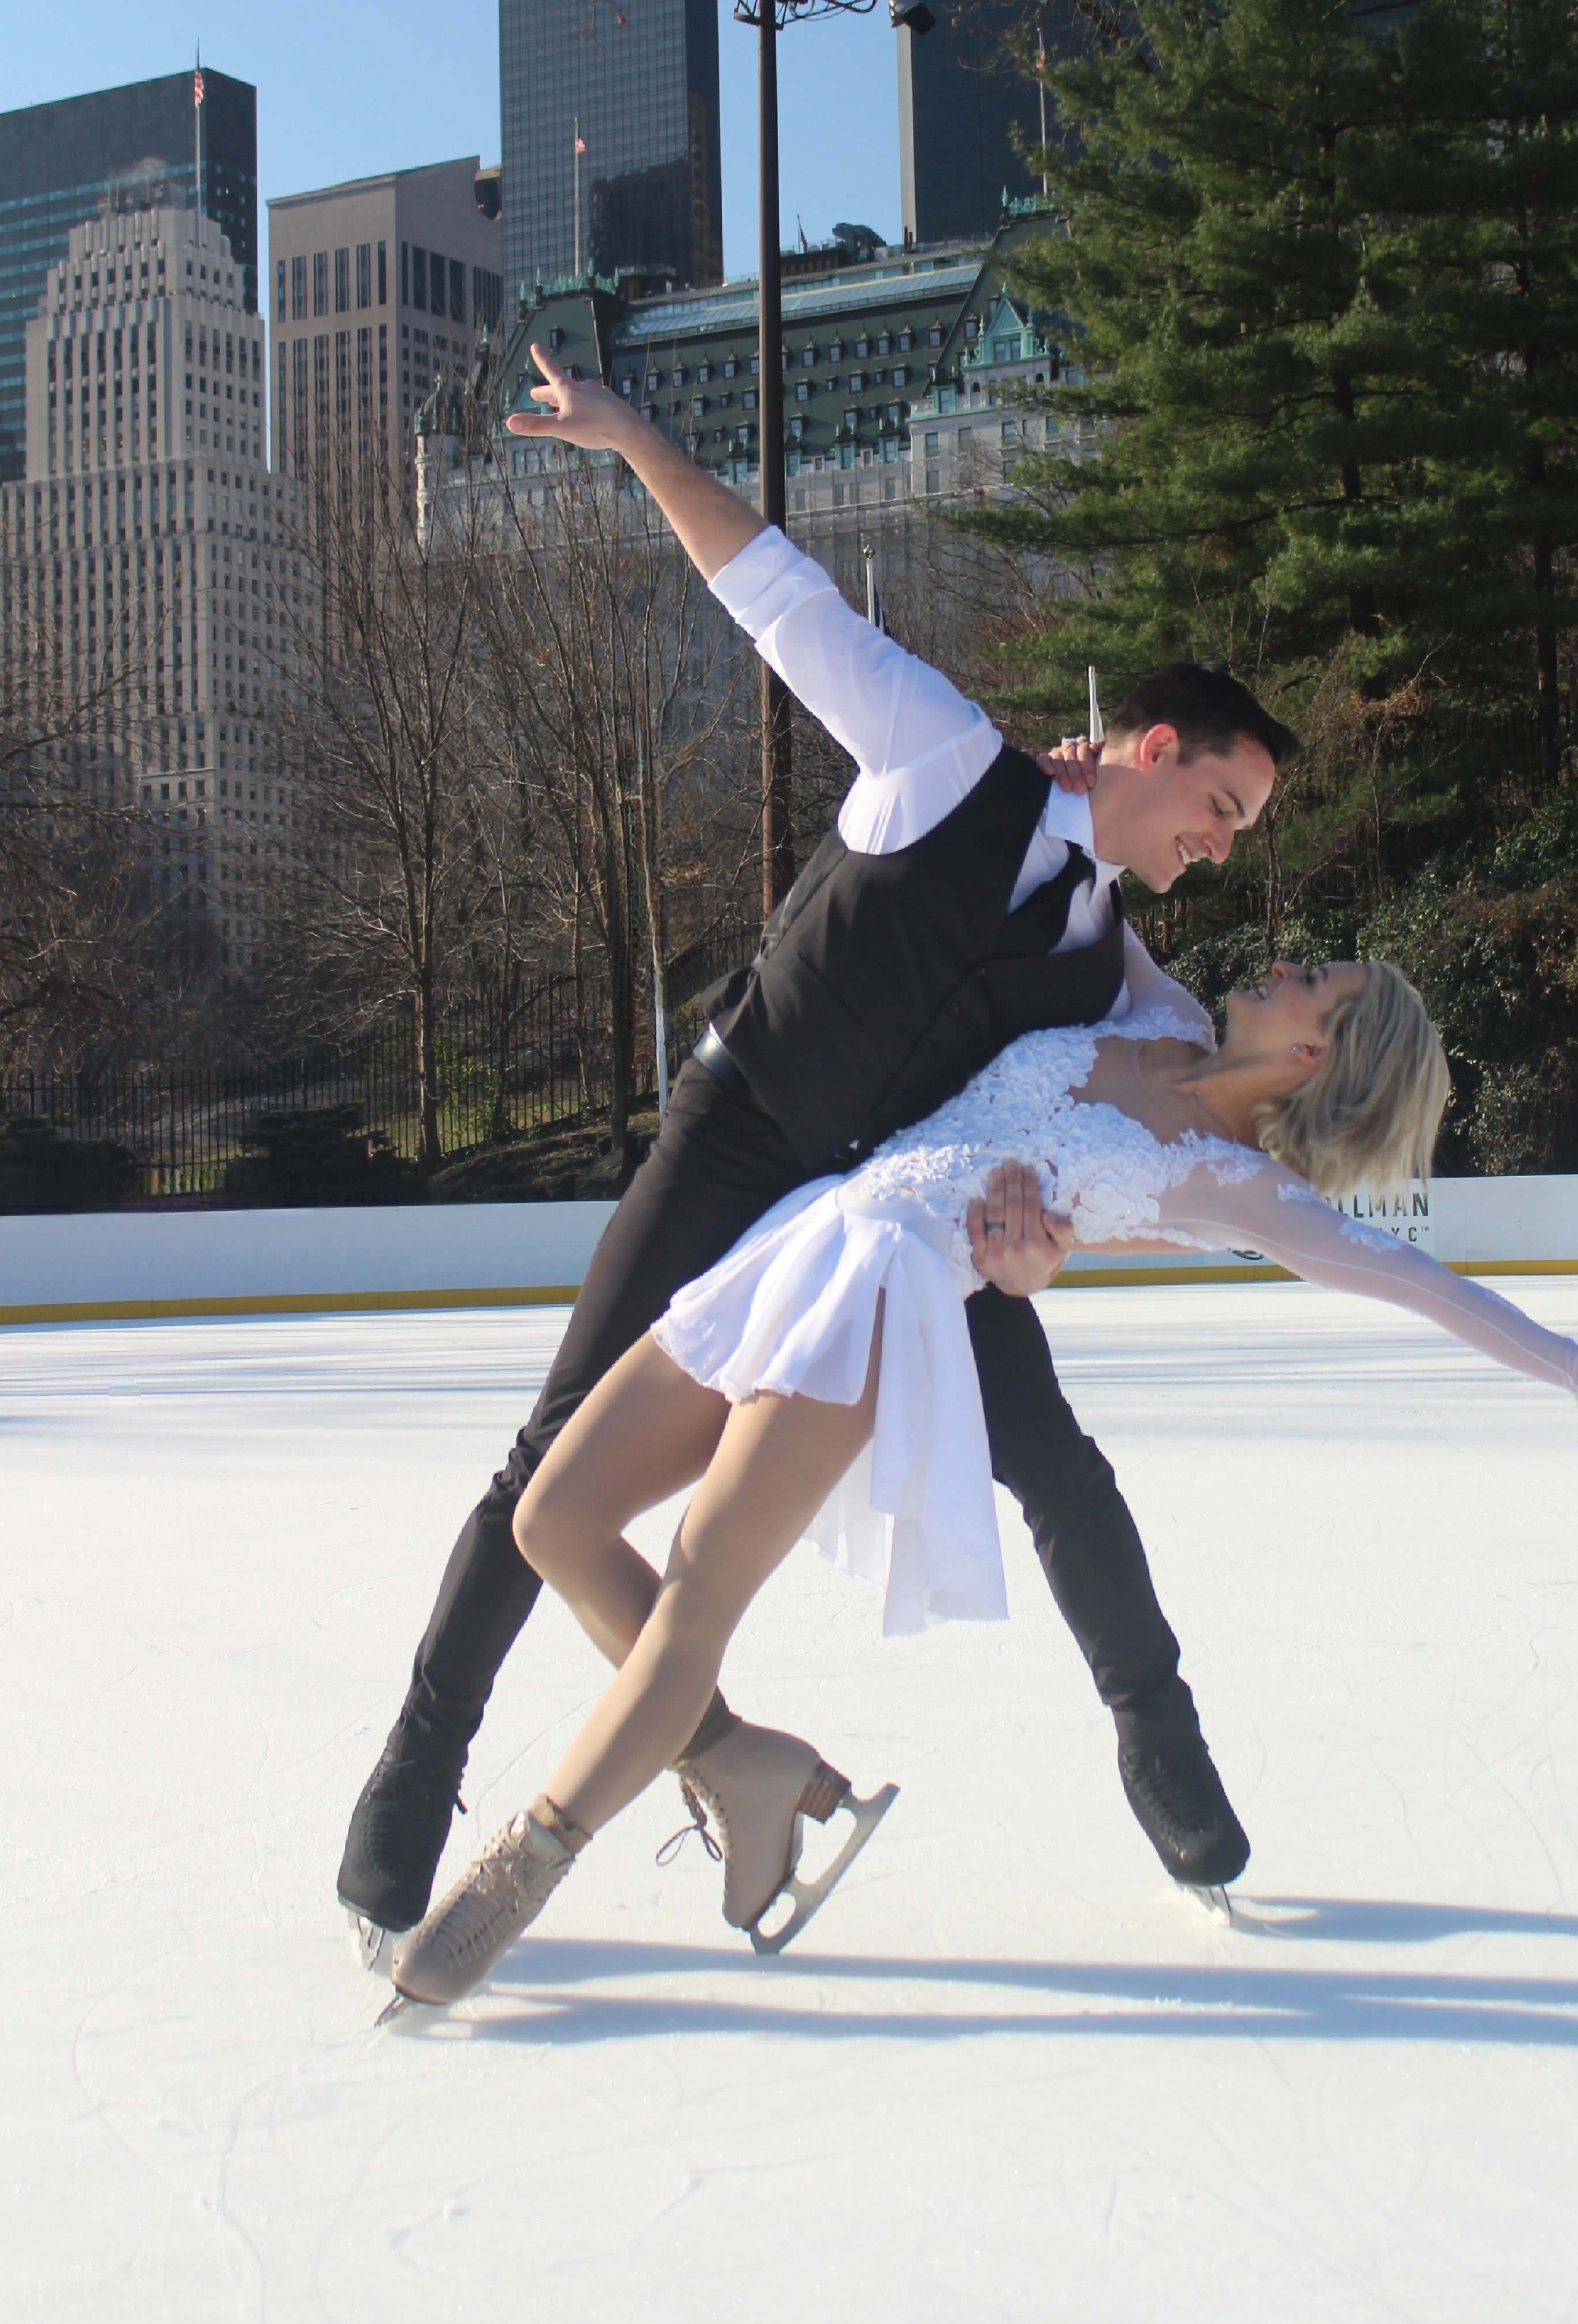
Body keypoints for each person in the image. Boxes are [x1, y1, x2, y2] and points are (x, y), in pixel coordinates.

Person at [337, 340, 1297, 1970]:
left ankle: (1162, 1742)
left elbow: (1225, 1063)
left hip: (888, 1218)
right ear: (1148, 746)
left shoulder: (1117, 964)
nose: (1223, 843)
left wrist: (1313, 1098)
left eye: (1245, 829)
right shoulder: (941, 757)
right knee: (548, 1468)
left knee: (1052, 1453)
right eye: (1222, 800)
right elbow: (775, 594)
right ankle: (429, 1778)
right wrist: (639, 438)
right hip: (739, 1144)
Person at [381, 954, 1578, 2013]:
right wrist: (1067, 768)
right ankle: (738, 1764)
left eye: (1314, 985)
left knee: (697, 1593)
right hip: (805, 1241)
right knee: (555, 1513)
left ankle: (519, 1872)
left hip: (881, 1304)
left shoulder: (1238, 1188)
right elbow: (1075, 854)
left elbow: (1415, 1280)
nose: (1284, 965)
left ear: (1312, 1061)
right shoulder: (1157, 1016)